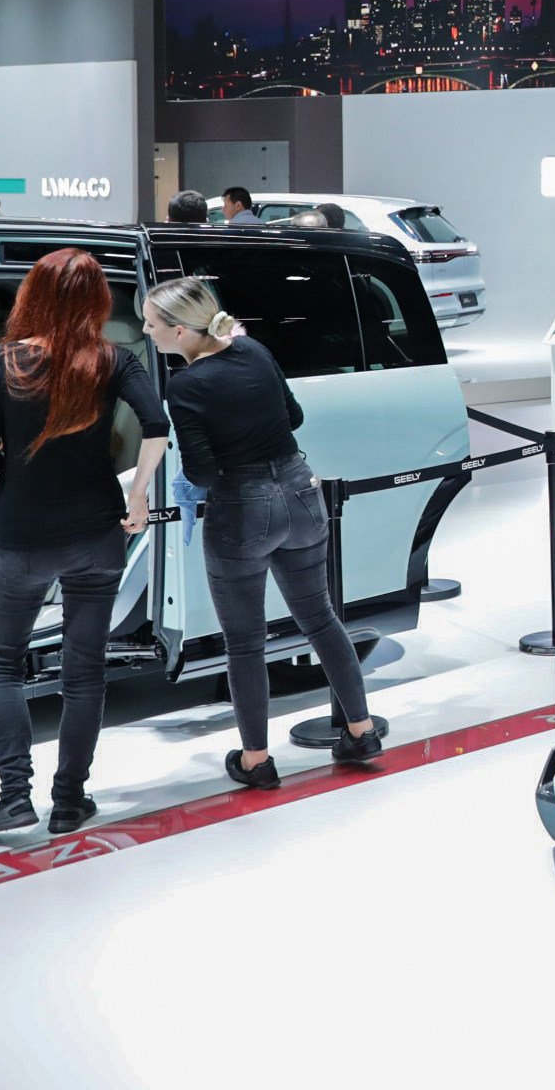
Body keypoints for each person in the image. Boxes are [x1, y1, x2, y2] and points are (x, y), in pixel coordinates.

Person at [142, 277, 382, 787]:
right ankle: (360, 730)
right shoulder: (253, 348)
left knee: (245, 642)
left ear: (181, 331)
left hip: (242, 510)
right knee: (320, 619)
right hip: (300, 491)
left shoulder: (184, 386)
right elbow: (293, 416)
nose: (146, 331)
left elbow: (202, 473)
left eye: (152, 323)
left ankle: (256, 760)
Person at [0, 249, 170, 840]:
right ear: (97, 300)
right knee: (84, 672)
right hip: (97, 533)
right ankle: (69, 800)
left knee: (2, 663)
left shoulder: (0, 363)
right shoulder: (112, 358)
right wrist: (138, 498)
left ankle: (13, 797)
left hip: (20, 535)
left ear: (33, 294)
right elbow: (156, 423)